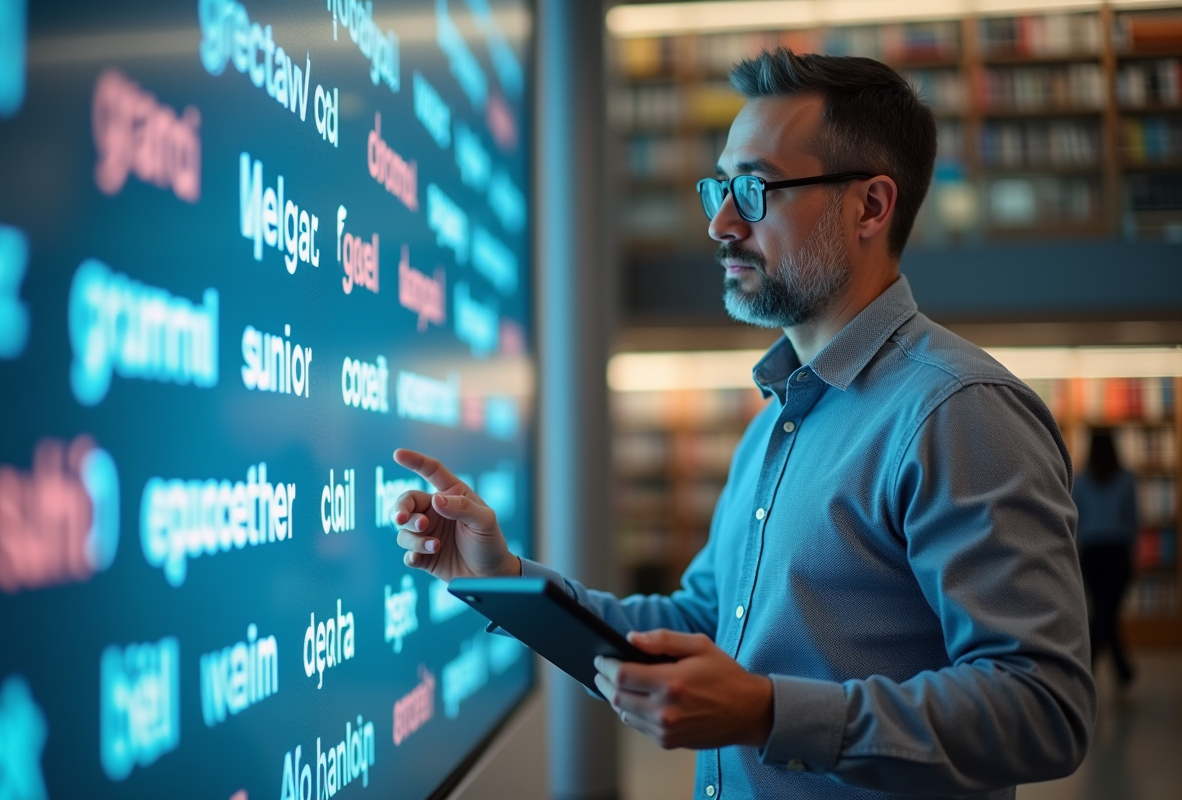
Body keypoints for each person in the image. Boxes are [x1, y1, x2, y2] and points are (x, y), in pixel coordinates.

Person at [390, 48, 1095, 799]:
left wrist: (768, 712)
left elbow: (1043, 707)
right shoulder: (778, 420)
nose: (721, 224)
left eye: (755, 189)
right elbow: (701, 622)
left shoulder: (957, 412)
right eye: (720, 188)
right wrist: (505, 582)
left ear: (871, 206)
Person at [1074, 428, 1139, 687]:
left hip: (1092, 553)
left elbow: (1076, 519)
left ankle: (1089, 669)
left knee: (1103, 613)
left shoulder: (1080, 480)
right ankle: (1117, 670)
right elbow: (1133, 520)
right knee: (1107, 613)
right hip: (1117, 552)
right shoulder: (1127, 480)